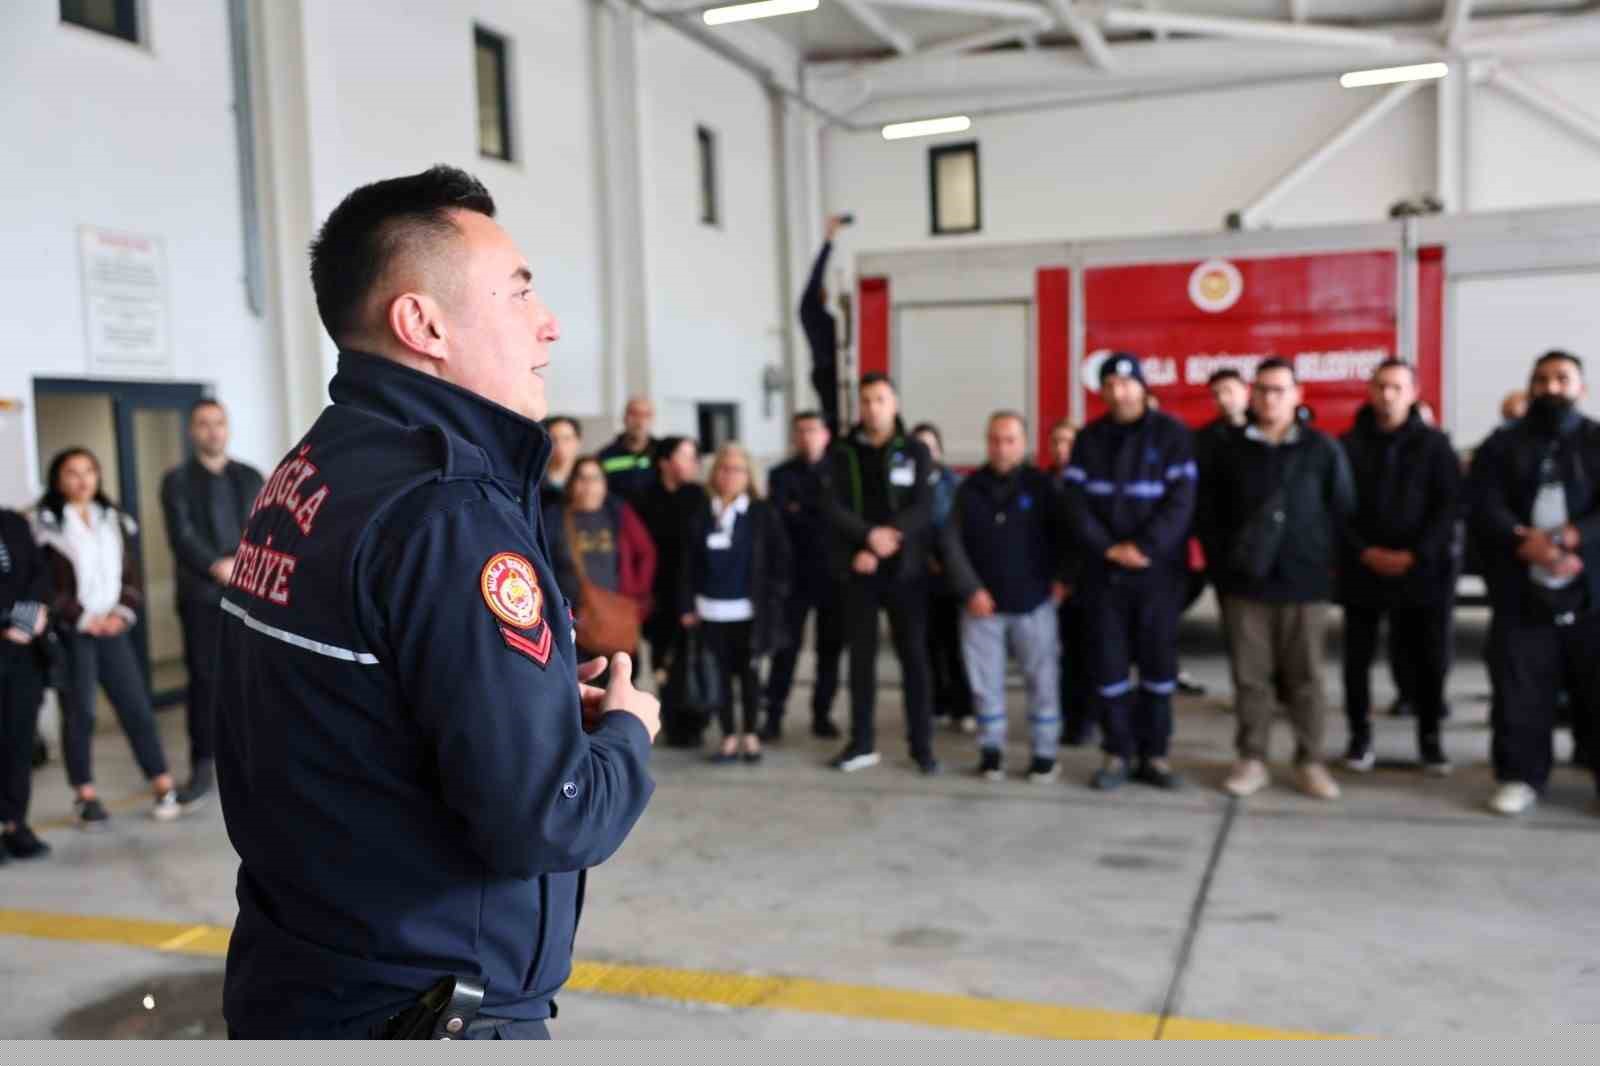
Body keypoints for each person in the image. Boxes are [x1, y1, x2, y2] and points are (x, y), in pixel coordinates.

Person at [213, 165, 659, 1039]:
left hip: (302, 976)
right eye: (520, 292)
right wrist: (628, 732)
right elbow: (548, 815)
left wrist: (514, 700)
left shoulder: (312, 472)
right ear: (423, 323)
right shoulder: (448, 513)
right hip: (425, 1008)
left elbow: (354, 706)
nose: (549, 324)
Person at [1198, 358, 1356, 801]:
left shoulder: (1322, 449)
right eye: (1263, 390)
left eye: (1280, 390)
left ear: (1298, 395)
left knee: (1306, 679)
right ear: (1252, 394)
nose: (1270, 398)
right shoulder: (1229, 449)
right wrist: (1222, 568)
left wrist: (1327, 570)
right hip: (1245, 587)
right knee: (1251, 679)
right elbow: (1207, 515)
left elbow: (1342, 511)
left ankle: (1310, 761)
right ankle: (1252, 759)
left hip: (1305, 585)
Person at [1468, 350, 1600, 816]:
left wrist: (1574, 540)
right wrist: (1521, 541)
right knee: (1521, 691)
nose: (1552, 387)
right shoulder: (1502, 445)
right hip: (1522, 590)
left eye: (1562, 378)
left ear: (1580, 388)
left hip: (1589, 590)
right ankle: (1520, 777)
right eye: (1541, 379)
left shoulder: (1595, 440)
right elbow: (1483, 502)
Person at [1062, 356, 1198, 791]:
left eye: (1126, 383)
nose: (1119, 392)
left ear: (1141, 386)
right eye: (1110, 384)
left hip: (1157, 575)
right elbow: (1076, 503)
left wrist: (1144, 547)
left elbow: (1181, 502)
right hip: (1103, 576)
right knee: (1110, 668)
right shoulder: (1089, 439)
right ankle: (1116, 752)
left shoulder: (1172, 436)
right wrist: (1109, 548)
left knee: (1159, 670)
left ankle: (1155, 755)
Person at [33, 448, 179, 826]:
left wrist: (120, 614)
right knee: (80, 713)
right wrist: (84, 618)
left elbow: (131, 575)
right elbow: (45, 586)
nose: (82, 480)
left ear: (98, 476)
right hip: (74, 633)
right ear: (58, 479)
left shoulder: (113, 519)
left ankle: (162, 782)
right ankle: (84, 793)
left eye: (89, 471)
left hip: (113, 628)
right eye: (72, 473)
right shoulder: (46, 525)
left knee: (136, 707)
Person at [1338, 360, 1461, 775]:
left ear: (1413, 392)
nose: (1387, 395)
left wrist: (1417, 555)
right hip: (1362, 568)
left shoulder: (1435, 445)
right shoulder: (1348, 444)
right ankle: (1359, 738)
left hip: (1421, 571)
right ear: (1370, 392)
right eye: (1381, 387)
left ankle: (1430, 741)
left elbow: (1449, 507)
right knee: (1356, 662)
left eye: (1396, 387)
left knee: (1427, 660)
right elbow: (1337, 508)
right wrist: (1364, 551)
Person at [941, 412, 1069, 782]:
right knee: (985, 685)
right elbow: (951, 544)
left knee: (1043, 681)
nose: (1001, 447)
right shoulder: (968, 489)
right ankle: (991, 750)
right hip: (982, 607)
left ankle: (1044, 753)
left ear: (1024, 443)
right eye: (995, 439)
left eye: (1010, 440)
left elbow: (1068, 536)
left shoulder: (1044, 488)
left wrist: (1062, 580)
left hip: (1035, 603)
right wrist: (970, 589)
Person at [822, 373, 939, 775]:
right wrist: (867, 539)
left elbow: (924, 506)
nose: (873, 407)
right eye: (867, 400)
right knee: (861, 662)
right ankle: (862, 743)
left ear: (895, 404)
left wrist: (891, 536)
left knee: (914, 661)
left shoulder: (916, 451)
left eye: (881, 399)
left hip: (905, 571)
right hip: (860, 568)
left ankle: (922, 747)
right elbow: (833, 508)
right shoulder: (840, 453)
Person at [158, 399, 264, 810]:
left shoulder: (250, 475)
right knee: (205, 681)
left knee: (251, 679)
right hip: (202, 594)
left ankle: (255, 763)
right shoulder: (177, 481)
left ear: (227, 427)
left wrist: (245, 565)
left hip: (251, 591)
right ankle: (203, 766)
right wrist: (217, 565)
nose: (212, 431)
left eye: (219, 423)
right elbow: (180, 535)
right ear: (192, 431)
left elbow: (266, 525)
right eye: (203, 424)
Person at [681, 443, 792, 765]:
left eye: (737, 470)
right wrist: (686, 604)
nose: (730, 475)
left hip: (749, 612)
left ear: (749, 476)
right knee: (720, 677)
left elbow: (781, 561)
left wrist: (773, 599)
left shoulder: (761, 513)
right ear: (715, 474)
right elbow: (687, 564)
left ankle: (751, 734)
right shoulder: (703, 513)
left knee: (750, 676)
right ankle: (728, 735)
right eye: (724, 468)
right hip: (710, 610)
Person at [763, 411, 844, 741]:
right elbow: (779, 523)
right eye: (800, 431)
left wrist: (802, 511)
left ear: (825, 435)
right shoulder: (781, 475)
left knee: (830, 650)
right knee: (785, 650)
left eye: (813, 430)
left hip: (833, 577)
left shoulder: (839, 472)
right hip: (792, 578)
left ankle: (822, 714)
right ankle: (773, 716)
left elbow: (837, 519)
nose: (807, 436)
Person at [544, 456, 657, 673]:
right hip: (573, 623)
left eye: (595, 479)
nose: (589, 486)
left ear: (605, 484)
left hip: (616, 617)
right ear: (571, 483)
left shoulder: (617, 512)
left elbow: (645, 552)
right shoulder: (555, 517)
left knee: (620, 684)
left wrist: (635, 596)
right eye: (582, 479)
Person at [636, 436, 708, 705]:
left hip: (691, 588)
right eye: (685, 456)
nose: (694, 463)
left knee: (691, 654)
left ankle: (695, 716)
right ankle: (671, 714)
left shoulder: (699, 496)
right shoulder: (645, 496)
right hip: (657, 591)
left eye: (694, 457)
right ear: (665, 462)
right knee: (662, 656)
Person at [913, 422, 974, 735]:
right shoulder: (904, 486)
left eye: (931, 446)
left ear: (940, 450)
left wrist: (945, 561)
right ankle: (937, 703)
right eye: (919, 446)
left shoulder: (956, 484)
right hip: (917, 575)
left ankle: (963, 706)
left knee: (955, 646)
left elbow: (960, 530)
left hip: (950, 578)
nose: (927, 453)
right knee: (926, 646)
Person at [1, 507, 51, 863]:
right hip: (8, 634)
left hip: (21, 651)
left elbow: (38, 573)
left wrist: (26, 620)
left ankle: (15, 824)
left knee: (18, 740)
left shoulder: (13, 522)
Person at [1044, 419, 1091, 746]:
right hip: (1049, 585)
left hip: (1085, 583)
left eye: (1068, 442)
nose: (1062, 449)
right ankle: (1063, 718)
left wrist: (1070, 578)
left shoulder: (1090, 485)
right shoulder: (1041, 484)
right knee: (1057, 658)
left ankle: (1086, 719)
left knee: (1085, 655)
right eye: (1056, 442)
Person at [800, 215, 849, 436]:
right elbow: (815, 276)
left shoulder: (828, 318)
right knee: (834, 419)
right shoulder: (810, 311)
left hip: (832, 371)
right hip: (827, 372)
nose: (825, 290)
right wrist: (829, 239)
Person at [598, 396, 658, 506]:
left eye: (646, 415)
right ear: (624, 417)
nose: (639, 421)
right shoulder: (605, 456)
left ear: (652, 419)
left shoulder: (662, 453)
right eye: (634, 414)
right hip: (619, 518)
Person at [541, 415, 583, 512]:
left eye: (567, 439)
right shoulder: (534, 480)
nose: (560, 445)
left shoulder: (589, 474)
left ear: (578, 441)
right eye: (554, 440)